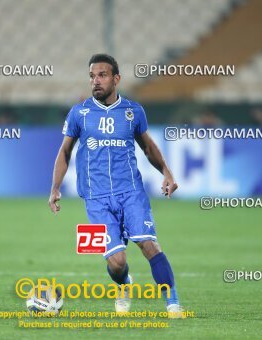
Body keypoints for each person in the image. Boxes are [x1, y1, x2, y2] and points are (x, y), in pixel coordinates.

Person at [48, 54, 184, 318]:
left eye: (102, 75)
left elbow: (148, 146)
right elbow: (64, 152)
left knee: (148, 244)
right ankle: (124, 285)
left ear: (116, 78)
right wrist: (55, 187)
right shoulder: (80, 113)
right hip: (96, 198)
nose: (95, 81)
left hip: (131, 191)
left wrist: (166, 172)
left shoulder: (133, 111)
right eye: (91, 76)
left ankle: (173, 302)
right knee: (117, 262)